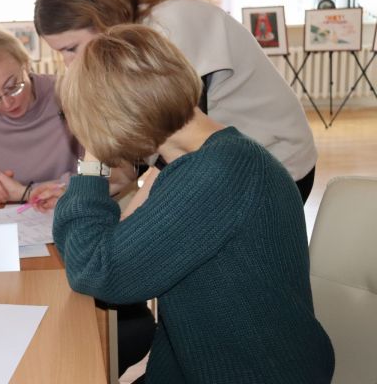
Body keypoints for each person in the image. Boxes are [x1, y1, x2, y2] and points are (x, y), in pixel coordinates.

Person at [52, 24, 334, 383]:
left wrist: (92, 162)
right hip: (203, 364)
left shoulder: (218, 173)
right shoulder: (204, 159)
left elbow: (96, 269)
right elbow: (102, 258)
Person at [33, 0, 317, 203]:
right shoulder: (134, 35)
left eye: (71, 48)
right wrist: (113, 178)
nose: (70, 63)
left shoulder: (170, 24)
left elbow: (179, 133)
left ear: (102, 20)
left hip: (278, 163)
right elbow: (152, 134)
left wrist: (129, 213)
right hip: (231, 162)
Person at [0, 28, 79, 203]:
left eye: (12, 87)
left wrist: (27, 192)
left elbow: (106, 174)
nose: (7, 103)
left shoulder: (71, 96)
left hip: (75, 210)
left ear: (26, 65)